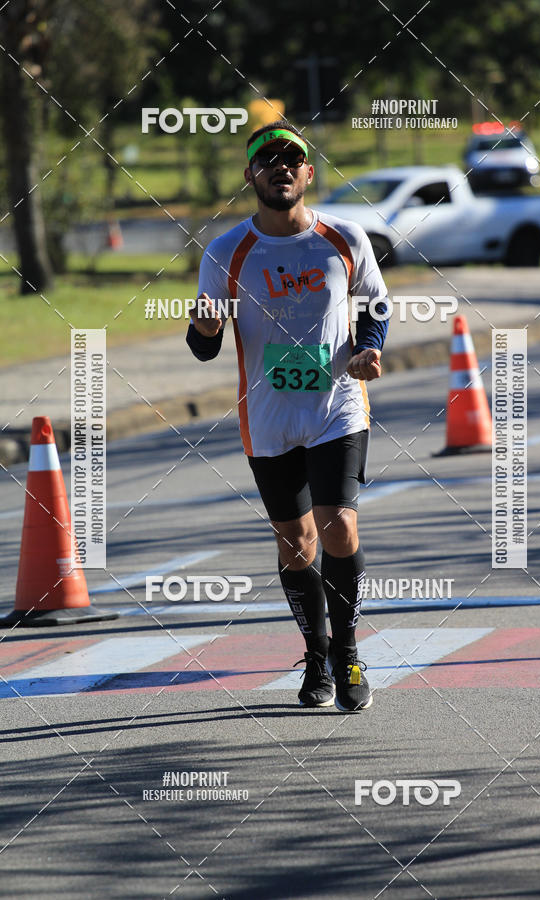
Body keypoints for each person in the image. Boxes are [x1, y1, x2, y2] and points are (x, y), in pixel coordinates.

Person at [186, 121, 389, 711]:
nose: (279, 166)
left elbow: (375, 305)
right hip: (268, 418)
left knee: (338, 525)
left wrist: (369, 346)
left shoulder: (343, 236)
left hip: (336, 408)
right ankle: (316, 653)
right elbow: (205, 346)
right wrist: (203, 329)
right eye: (266, 159)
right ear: (250, 176)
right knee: (296, 544)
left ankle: (348, 653)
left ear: (308, 173)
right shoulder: (226, 252)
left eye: (290, 159)